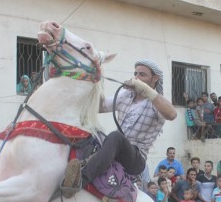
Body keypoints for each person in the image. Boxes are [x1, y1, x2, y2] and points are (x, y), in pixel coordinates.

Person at [63, 60, 177, 195]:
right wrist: (94, 82)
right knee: (93, 133)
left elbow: (172, 114)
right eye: (135, 74)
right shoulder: (125, 95)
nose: (137, 78)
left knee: (115, 136)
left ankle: (81, 180)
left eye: (142, 75)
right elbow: (99, 106)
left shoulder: (157, 102)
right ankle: (76, 165)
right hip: (117, 150)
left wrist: (147, 91)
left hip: (136, 160)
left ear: (155, 78)